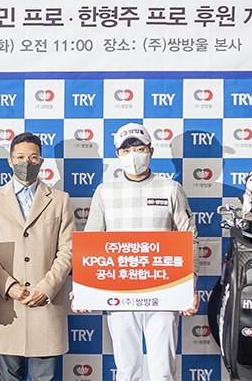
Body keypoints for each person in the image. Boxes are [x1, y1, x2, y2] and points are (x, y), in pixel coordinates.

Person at [83, 122, 199, 381]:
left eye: (139, 148)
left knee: (163, 372)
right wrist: (83, 288)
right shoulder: (105, 192)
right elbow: (92, 243)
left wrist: (190, 284)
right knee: (127, 371)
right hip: (119, 293)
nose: (133, 155)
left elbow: (189, 239)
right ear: (117, 154)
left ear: (151, 151)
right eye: (126, 150)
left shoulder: (171, 189)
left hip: (165, 291)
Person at [0, 132, 73, 381]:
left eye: (33, 157)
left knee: (44, 377)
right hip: (6, 306)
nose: (26, 163)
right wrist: (9, 286)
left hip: (46, 305)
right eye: (19, 157)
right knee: (9, 377)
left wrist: (46, 288)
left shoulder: (60, 200)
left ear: (41, 161)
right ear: (10, 161)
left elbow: (68, 251)